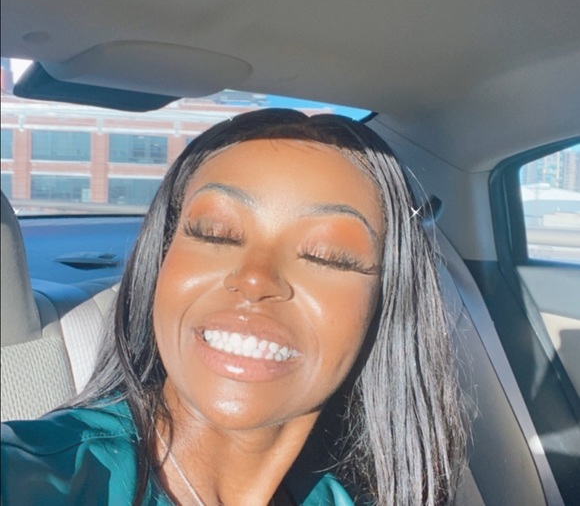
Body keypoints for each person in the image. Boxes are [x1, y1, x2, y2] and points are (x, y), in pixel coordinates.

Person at [1, 109, 465, 505]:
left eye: (326, 255)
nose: (255, 278)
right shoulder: (32, 477)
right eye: (215, 233)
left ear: (384, 304)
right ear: (159, 263)